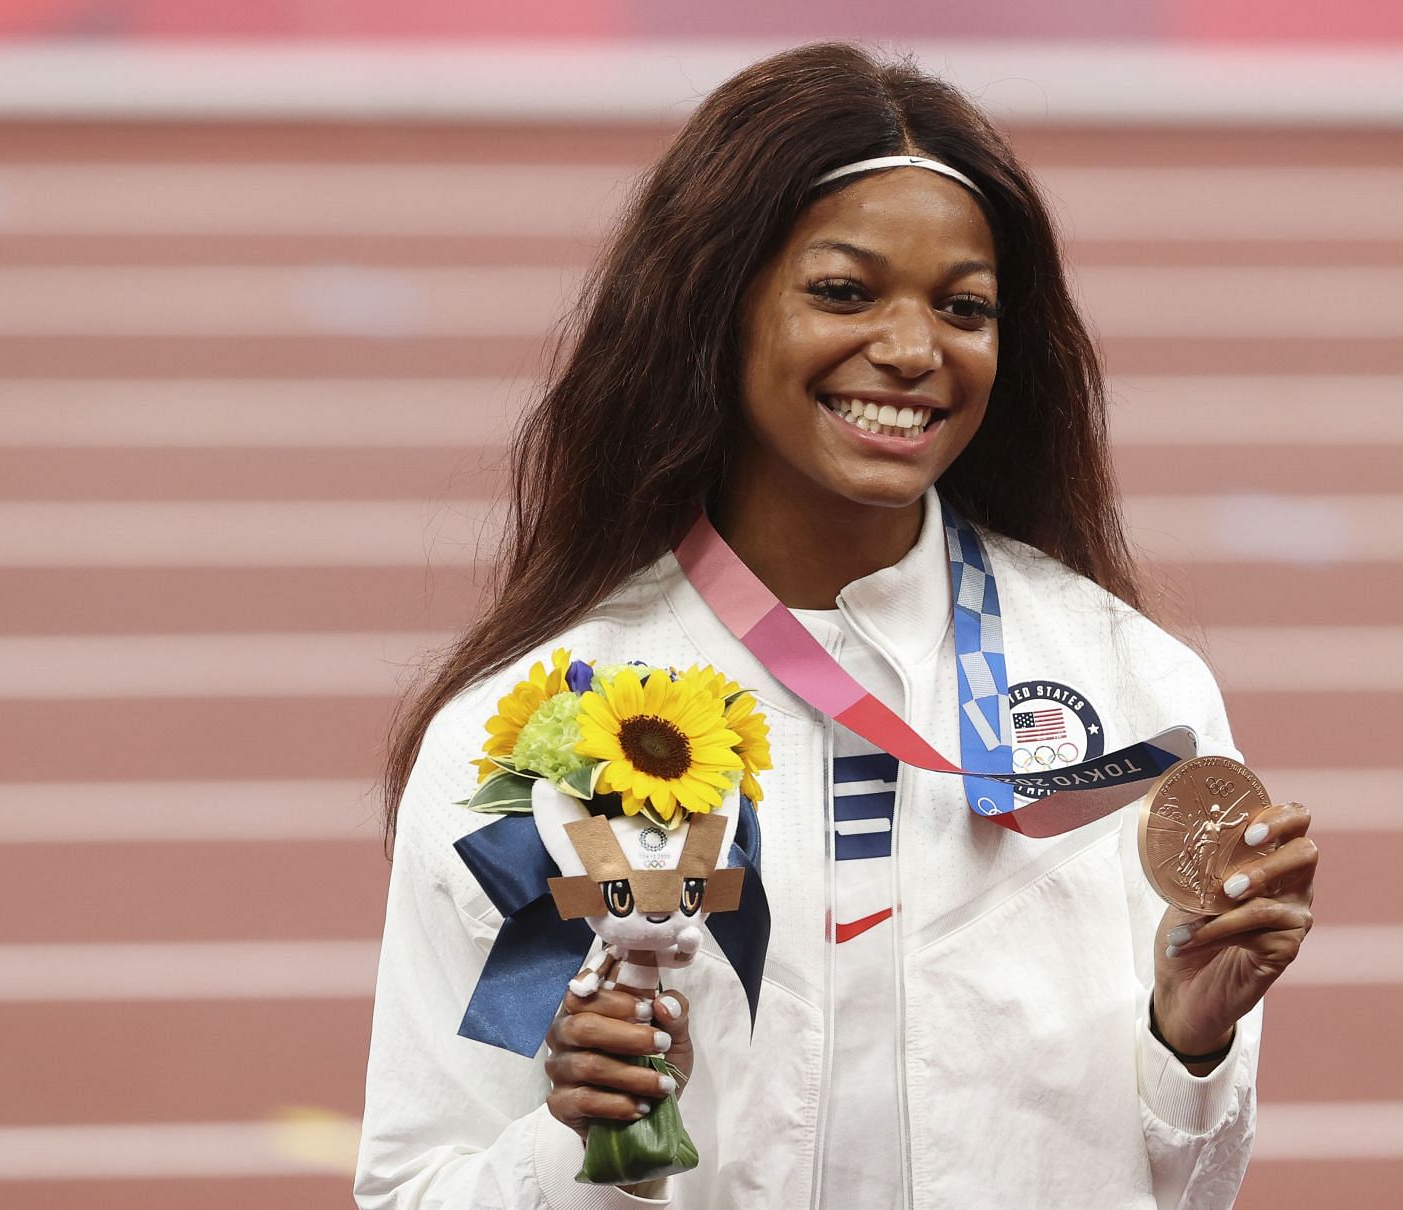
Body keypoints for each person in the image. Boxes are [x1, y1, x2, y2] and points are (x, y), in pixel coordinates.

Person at [356, 40, 1319, 1210]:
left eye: (963, 307)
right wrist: (577, 1142)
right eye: (845, 291)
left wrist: (1191, 1042)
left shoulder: (1128, 692)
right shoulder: (535, 738)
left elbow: (1185, 1190)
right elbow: (418, 1186)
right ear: (718, 307)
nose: (914, 351)